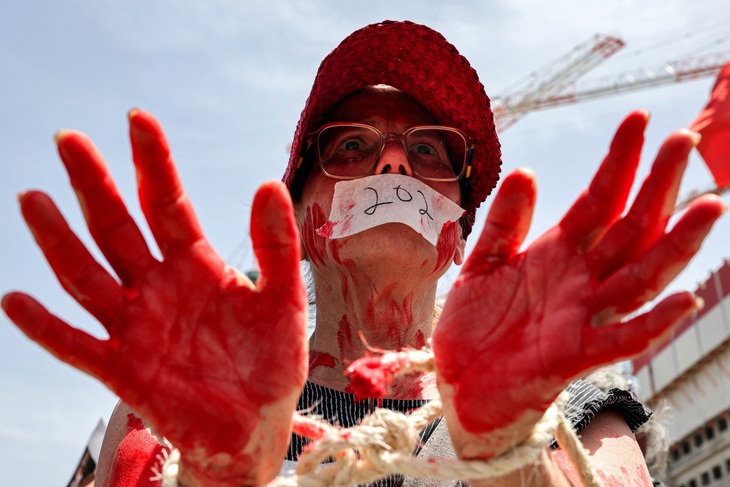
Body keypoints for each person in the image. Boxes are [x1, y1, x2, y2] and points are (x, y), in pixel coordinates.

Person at [2, 20, 726, 486]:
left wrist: (508, 454)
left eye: (429, 150)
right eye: (351, 144)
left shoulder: (569, 404)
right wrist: (211, 476)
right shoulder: (176, 405)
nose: (393, 165)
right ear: (301, 216)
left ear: (459, 232)